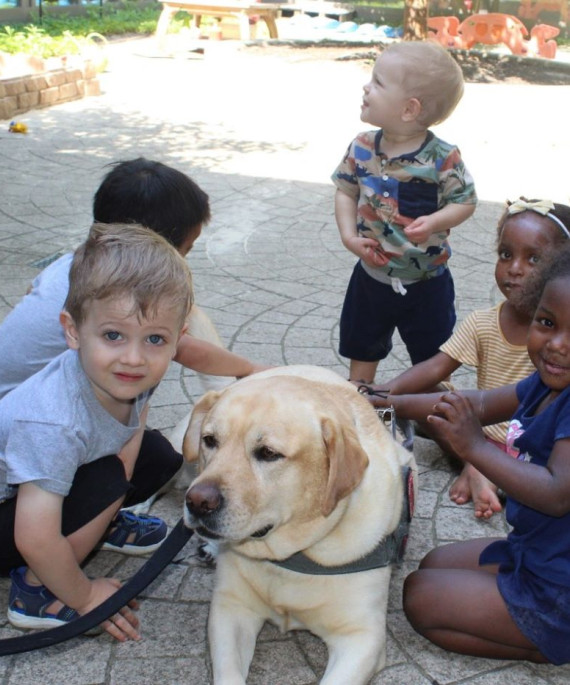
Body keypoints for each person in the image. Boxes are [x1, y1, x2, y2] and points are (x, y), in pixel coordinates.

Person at [0, 223, 194, 640]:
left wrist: (111, 500)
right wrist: (86, 595)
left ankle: (97, 526)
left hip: (40, 488)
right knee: (107, 479)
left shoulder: (127, 371)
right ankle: (36, 592)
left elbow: (131, 431)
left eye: (155, 339)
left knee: (157, 457)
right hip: (14, 519)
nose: (133, 357)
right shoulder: (52, 419)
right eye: (112, 335)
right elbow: (33, 536)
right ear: (72, 330)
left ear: (178, 339)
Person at [380, 244, 570, 664]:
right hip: (536, 550)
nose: (557, 345)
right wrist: (383, 400)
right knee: (432, 563)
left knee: (420, 597)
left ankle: (552, 642)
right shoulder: (545, 382)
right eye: (547, 322)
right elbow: (476, 405)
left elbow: (558, 493)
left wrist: (476, 447)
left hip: (560, 587)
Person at [362, 198, 570, 519]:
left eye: (534, 258)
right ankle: (477, 465)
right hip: (482, 431)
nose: (515, 268)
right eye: (505, 255)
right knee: (431, 396)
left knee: (442, 409)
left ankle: (478, 467)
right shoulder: (484, 322)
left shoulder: (555, 348)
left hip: (533, 454)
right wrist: (382, 395)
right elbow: (436, 368)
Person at [0, 158, 264, 401]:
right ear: (150, 250)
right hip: (22, 417)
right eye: (185, 251)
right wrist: (251, 369)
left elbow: (30, 291)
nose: (183, 261)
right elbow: (186, 350)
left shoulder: (76, 263)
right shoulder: (120, 291)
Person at [332, 41, 477, 385]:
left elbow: (465, 201)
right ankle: (365, 410)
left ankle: (429, 414)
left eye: (379, 82)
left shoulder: (442, 158)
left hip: (427, 284)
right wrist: (349, 237)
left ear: (410, 109)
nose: (367, 87)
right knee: (362, 351)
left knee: (431, 363)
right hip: (371, 277)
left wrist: (437, 220)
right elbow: (345, 189)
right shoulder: (362, 146)